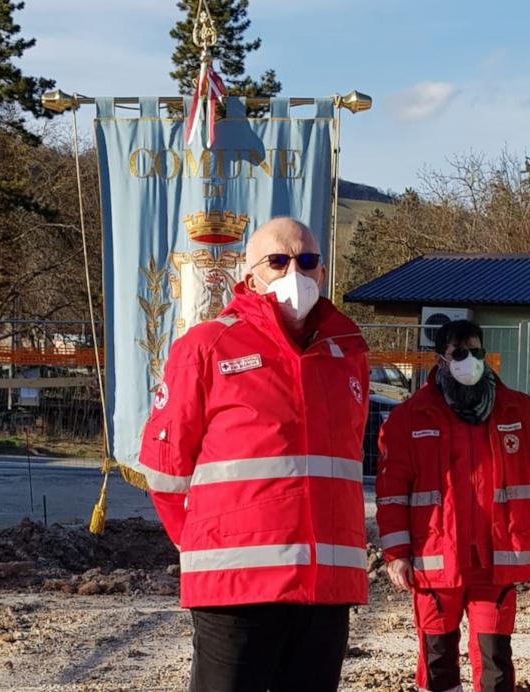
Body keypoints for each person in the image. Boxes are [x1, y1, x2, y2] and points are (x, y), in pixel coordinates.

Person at [139, 217, 370, 692]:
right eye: (279, 261)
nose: (296, 273)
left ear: (322, 272)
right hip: (235, 588)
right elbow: (165, 471)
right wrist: (204, 543)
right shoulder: (206, 347)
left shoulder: (347, 351)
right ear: (251, 275)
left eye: (307, 261)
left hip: (325, 590)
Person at [375, 319, 530, 692]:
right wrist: (396, 553)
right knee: (438, 660)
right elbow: (391, 493)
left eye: (477, 352)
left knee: (495, 662)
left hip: (497, 564)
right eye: (460, 353)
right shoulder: (408, 419)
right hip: (437, 562)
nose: (471, 361)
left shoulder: (517, 411)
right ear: (440, 360)